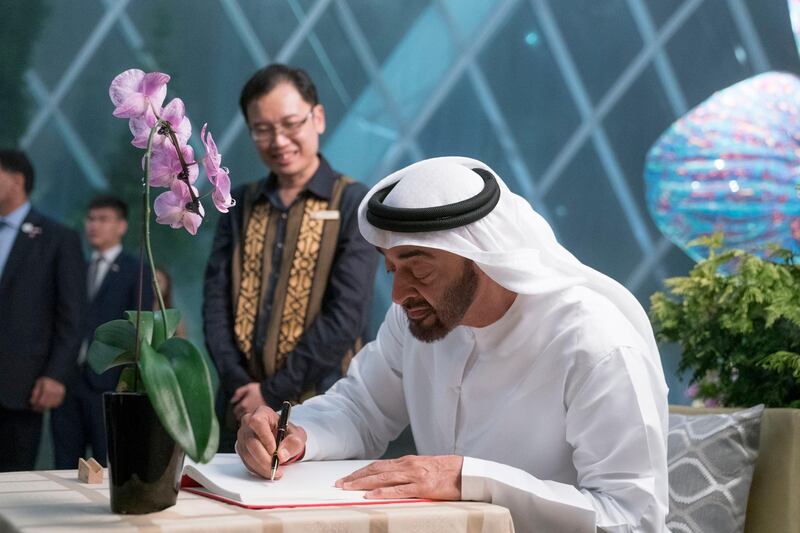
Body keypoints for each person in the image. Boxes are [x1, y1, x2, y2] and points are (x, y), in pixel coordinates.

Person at [236, 157, 670, 532]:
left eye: (419, 270)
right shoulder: (416, 317)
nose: (398, 294)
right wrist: (295, 435)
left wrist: (472, 480)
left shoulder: (595, 343)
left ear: (479, 257)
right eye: (391, 270)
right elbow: (361, 409)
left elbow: (632, 519)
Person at [203, 64, 379, 451]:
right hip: (239, 409)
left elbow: (346, 314)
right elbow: (215, 303)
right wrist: (239, 386)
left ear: (317, 117)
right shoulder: (238, 204)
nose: (278, 140)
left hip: (326, 407)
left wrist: (270, 391)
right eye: (262, 129)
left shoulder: (352, 202)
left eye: (290, 124)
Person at [51, 195, 153, 469]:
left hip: (109, 387)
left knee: (108, 463)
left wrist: (124, 383)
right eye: (91, 219)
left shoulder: (137, 270)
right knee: (63, 464)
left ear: (121, 226)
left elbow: (140, 329)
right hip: (68, 382)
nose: (94, 226)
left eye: (104, 219)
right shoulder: (75, 268)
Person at [0, 149, 86, 472]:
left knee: (10, 486)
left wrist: (55, 375)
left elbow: (72, 316)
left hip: (21, 388)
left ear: (17, 180)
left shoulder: (57, 238)